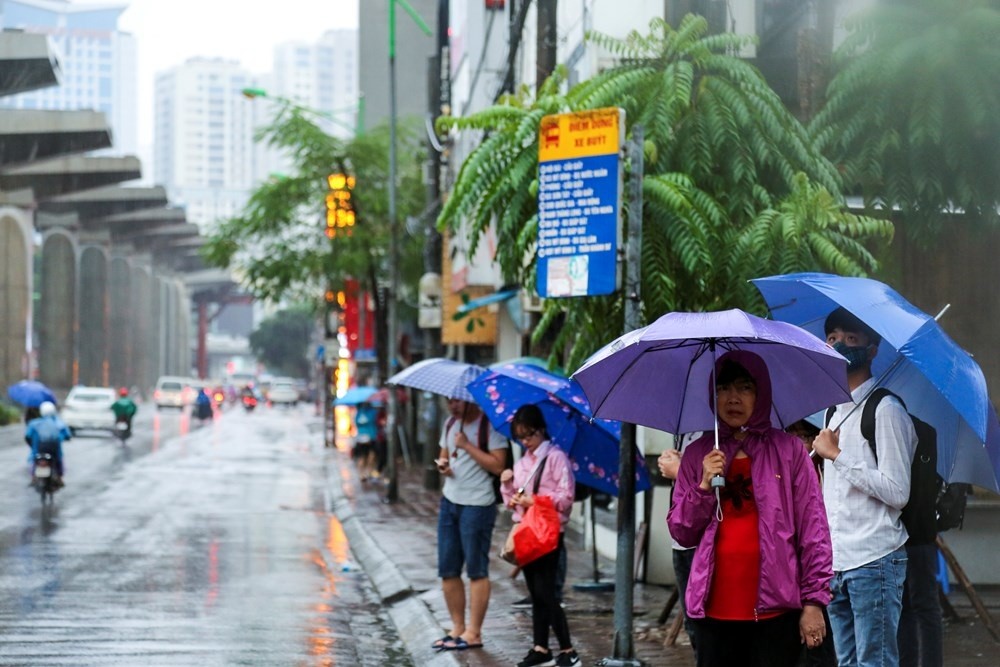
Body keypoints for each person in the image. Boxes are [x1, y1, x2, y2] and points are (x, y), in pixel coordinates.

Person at [668, 350, 832, 667]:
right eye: (723, 388)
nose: (733, 398)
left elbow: (814, 530)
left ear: (761, 393)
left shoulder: (790, 451)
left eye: (744, 388)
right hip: (714, 610)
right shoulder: (697, 454)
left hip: (777, 611)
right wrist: (703, 485)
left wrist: (814, 601)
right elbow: (681, 531)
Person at [812, 307, 916, 667]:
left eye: (851, 339)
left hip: (875, 559)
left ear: (872, 349)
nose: (840, 345)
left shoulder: (886, 410)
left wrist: (837, 456)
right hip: (838, 562)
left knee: (877, 662)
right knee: (847, 662)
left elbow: (897, 491)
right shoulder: (831, 412)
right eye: (832, 338)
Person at [500, 404, 580, 667]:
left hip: (548, 533)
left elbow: (567, 497)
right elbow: (512, 502)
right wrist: (507, 484)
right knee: (535, 593)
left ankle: (568, 650)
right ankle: (541, 647)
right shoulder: (522, 462)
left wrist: (535, 500)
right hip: (527, 532)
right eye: (521, 437)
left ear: (541, 430)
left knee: (547, 593)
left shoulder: (556, 458)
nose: (526, 441)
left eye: (529, 435)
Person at [431, 397, 508, 653]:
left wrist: (467, 446)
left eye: (457, 402)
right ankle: (457, 627)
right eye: (449, 401)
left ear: (470, 400)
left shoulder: (490, 427)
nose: (452, 406)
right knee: (448, 568)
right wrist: (443, 466)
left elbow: (499, 466)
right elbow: (444, 456)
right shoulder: (451, 423)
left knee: (476, 568)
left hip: (478, 504)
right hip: (450, 501)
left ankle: (473, 632)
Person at [786, 419, 837, 667]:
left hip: (823, 575)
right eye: (791, 436)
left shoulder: (829, 472)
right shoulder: (780, 474)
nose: (798, 443)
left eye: (805, 437)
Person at [657, 432, 700, 653]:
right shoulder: (684, 429)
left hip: (704, 542)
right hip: (681, 538)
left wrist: (680, 470)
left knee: (706, 623)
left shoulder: (720, 430)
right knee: (692, 622)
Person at [25, 401, 71, 485]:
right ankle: (60, 478)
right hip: (54, 449)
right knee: (58, 460)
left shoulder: (34, 423)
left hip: (39, 448)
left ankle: (33, 478)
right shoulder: (59, 423)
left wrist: (31, 444)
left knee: (34, 459)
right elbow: (67, 435)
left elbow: (28, 436)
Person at [353, 401, 379, 481]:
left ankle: (362, 474)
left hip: (361, 437)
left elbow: (356, 423)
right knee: (371, 455)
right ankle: (367, 472)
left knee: (363, 456)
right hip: (370, 437)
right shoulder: (373, 413)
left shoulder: (358, 413)